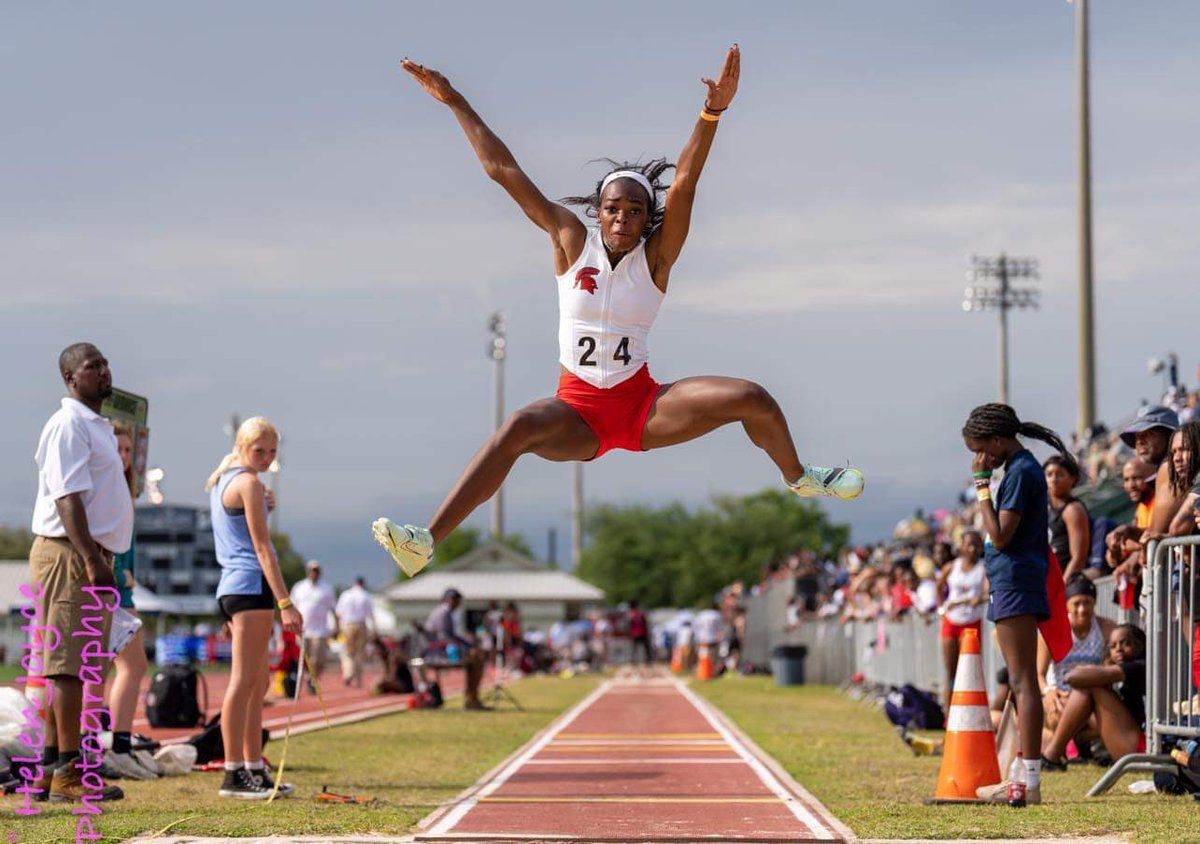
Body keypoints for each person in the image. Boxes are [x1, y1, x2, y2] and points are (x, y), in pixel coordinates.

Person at [372, 46, 865, 576]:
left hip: (643, 407)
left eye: (635, 211)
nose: (623, 218)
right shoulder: (568, 240)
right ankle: (426, 539)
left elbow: (685, 183)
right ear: (598, 211)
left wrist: (712, 113)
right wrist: (455, 100)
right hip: (577, 412)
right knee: (516, 426)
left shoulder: (657, 257)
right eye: (613, 209)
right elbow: (503, 170)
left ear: (648, 218)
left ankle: (799, 477)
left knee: (753, 397)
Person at [27, 343, 129, 803]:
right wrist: (91, 559)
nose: (104, 371)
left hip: (87, 553)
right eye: (93, 366)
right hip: (70, 553)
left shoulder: (95, 425)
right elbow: (66, 498)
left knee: (72, 665)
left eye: (105, 363)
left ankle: (49, 771)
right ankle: (69, 772)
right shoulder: (69, 423)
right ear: (71, 378)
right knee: (66, 667)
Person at [962, 402, 1075, 806]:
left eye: (981, 450)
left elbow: (1000, 533)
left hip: (1017, 582)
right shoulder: (1020, 468)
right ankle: (1020, 776)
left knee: (1024, 681)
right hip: (1016, 581)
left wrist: (980, 485)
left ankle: (1028, 782)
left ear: (997, 440)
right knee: (1019, 679)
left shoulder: (1022, 472)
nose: (979, 459)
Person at [207, 416, 301, 799]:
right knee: (244, 681)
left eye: (272, 451)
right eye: (259, 450)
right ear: (242, 447)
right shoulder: (246, 482)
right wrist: (286, 602)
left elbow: (244, 530)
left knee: (258, 682)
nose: (266, 457)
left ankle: (252, 765)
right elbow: (262, 549)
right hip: (248, 586)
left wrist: (264, 504)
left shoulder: (230, 482)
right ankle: (233, 773)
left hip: (240, 587)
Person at [100, 421, 157, 779]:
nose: (122, 457)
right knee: (128, 666)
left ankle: (115, 744)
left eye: (127, 451)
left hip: (123, 590)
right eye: (116, 450)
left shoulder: (123, 488)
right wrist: (120, 573)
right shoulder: (106, 489)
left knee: (128, 667)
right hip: (112, 589)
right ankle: (112, 747)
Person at [1041, 624, 1147, 769]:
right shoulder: (1126, 668)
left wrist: (1089, 671)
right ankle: (1075, 745)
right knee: (1086, 694)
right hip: (1134, 739)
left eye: (1126, 643)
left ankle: (1051, 756)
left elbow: (1073, 678)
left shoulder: (1139, 666)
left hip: (1143, 748)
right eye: (1113, 646)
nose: (1119, 649)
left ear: (1140, 646)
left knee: (1090, 687)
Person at [1037, 574, 1114, 739]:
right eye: (1076, 603)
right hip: (1060, 695)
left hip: (1091, 697)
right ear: (1066, 606)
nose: (1082, 609)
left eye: (1087, 602)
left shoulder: (1106, 628)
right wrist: (1048, 692)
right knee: (1056, 713)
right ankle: (1073, 743)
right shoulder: (1053, 631)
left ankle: (1077, 743)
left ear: (1095, 603)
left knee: (1104, 721)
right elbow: (1038, 673)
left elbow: (1113, 665)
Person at [936, 530, 987, 710]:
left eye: (975, 544)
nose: (972, 549)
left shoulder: (982, 568)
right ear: (962, 547)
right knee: (951, 669)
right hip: (951, 621)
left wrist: (979, 598)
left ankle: (968, 709)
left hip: (971, 621)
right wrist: (941, 608)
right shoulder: (952, 566)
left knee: (968, 669)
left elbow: (988, 592)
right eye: (968, 544)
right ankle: (949, 712)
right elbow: (938, 585)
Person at [425, 588, 489, 710]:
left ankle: (472, 698)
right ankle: (471, 699)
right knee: (476, 657)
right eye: (458, 600)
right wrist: (467, 645)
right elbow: (445, 637)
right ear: (451, 600)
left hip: (441, 648)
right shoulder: (444, 613)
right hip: (440, 652)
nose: (459, 604)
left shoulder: (444, 612)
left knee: (476, 655)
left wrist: (468, 643)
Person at [290, 560, 339, 692]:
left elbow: (333, 609)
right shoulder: (299, 587)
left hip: (320, 630)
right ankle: (307, 678)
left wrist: (337, 627)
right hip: (303, 630)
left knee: (318, 658)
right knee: (303, 658)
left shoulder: (326, 588)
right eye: (312, 570)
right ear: (308, 572)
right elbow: (292, 606)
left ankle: (313, 679)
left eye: (316, 570)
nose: (314, 573)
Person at [1044, 455, 1091, 580]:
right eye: (1049, 475)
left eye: (1060, 474)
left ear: (1072, 479)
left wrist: (1061, 589)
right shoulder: (1044, 508)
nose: (1053, 479)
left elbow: (1078, 558)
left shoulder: (1073, 510)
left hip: (1067, 582)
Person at [335, 576, 374, 688]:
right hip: (360, 624)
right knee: (359, 653)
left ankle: (348, 672)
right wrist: (373, 629)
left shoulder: (345, 595)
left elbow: (338, 613)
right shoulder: (365, 595)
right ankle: (358, 680)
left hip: (347, 624)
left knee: (348, 652)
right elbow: (370, 615)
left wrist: (338, 628)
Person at [628, 600, 652, 664]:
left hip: (635, 633)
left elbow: (629, 624)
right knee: (646, 648)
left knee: (634, 648)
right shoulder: (641, 612)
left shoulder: (631, 613)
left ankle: (633, 660)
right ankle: (648, 660)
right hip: (643, 632)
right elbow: (646, 622)